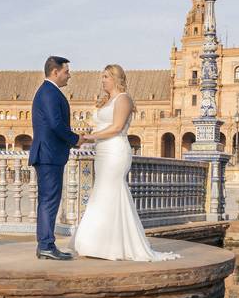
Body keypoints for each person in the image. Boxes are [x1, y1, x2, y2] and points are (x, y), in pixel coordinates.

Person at [70, 65, 179, 261]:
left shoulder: (124, 99)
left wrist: (88, 137)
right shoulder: (107, 100)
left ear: (116, 79)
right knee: (102, 193)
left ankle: (108, 245)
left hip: (115, 151)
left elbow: (117, 127)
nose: (102, 80)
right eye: (102, 76)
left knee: (110, 191)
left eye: (106, 77)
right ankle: (99, 242)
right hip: (102, 152)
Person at [29, 56, 86, 260]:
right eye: (66, 71)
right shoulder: (50, 93)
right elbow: (55, 124)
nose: (69, 75)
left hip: (48, 154)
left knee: (48, 200)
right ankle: (45, 244)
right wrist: (75, 139)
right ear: (55, 72)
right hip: (49, 155)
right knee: (49, 201)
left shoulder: (47, 92)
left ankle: (45, 244)